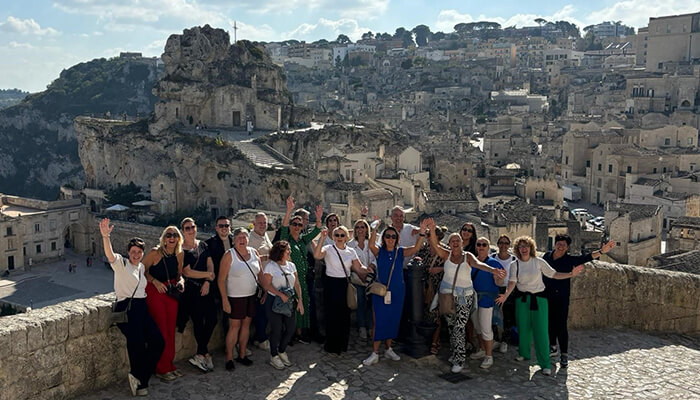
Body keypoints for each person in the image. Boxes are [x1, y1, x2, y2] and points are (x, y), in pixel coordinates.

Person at [496, 236, 585, 376]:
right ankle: (524, 353)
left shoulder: (538, 262)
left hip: (539, 300)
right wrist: (505, 296)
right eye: (521, 247)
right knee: (523, 329)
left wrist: (570, 274)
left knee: (541, 332)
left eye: (526, 246)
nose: (524, 249)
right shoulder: (515, 265)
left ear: (531, 248)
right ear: (517, 249)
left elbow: (554, 274)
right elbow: (512, 282)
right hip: (522, 300)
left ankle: (545, 363)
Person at [426, 220, 507, 373]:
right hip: (447, 296)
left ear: (462, 243)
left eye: (458, 240)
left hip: (464, 297)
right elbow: (435, 245)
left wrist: (492, 270)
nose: (455, 243)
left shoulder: (467, 256)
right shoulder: (446, 255)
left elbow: (479, 265)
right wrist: (430, 229)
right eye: (453, 240)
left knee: (459, 327)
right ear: (449, 244)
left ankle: (459, 358)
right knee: (451, 327)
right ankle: (456, 352)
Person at [100, 218, 163, 397]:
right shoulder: (122, 264)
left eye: (139, 252)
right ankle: (140, 381)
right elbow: (110, 255)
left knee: (158, 342)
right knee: (136, 346)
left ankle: (140, 376)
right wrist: (106, 237)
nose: (136, 254)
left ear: (142, 253)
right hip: (127, 309)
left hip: (142, 308)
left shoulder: (142, 268)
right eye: (133, 251)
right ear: (128, 252)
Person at [543, 234, 616, 368]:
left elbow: (586, 258)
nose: (560, 247)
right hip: (546, 295)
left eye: (563, 245)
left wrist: (601, 251)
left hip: (562, 297)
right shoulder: (546, 257)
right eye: (559, 244)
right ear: (555, 244)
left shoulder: (570, 260)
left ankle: (564, 354)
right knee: (549, 322)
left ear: (567, 247)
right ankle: (552, 347)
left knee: (561, 325)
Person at [363, 218, 428, 366]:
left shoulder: (400, 252)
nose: (390, 239)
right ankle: (374, 352)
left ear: (397, 239)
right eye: (388, 236)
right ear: (384, 238)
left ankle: (388, 348)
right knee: (379, 321)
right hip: (381, 291)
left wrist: (422, 233)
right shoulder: (380, 252)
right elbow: (371, 244)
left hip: (397, 291)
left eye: (393, 236)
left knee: (393, 320)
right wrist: (374, 228)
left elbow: (416, 248)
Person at [313, 226, 369, 354]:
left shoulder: (351, 251)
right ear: (333, 237)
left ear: (346, 237)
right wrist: (322, 238)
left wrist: (369, 269)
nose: (339, 238)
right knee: (332, 316)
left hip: (345, 284)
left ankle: (342, 344)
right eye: (336, 235)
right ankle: (332, 345)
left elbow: (358, 267)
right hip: (331, 284)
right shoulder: (328, 249)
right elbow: (317, 255)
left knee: (344, 316)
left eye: (342, 235)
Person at [142, 226, 185, 381]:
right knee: (161, 330)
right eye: (168, 235)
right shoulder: (155, 253)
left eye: (174, 235)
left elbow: (179, 274)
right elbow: (142, 270)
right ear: (164, 238)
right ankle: (161, 368)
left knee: (170, 329)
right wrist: (154, 281)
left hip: (170, 293)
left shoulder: (179, 254)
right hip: (156, 292)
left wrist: (181, 281)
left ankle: (169, 364)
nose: (171, 238)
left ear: (178, 238)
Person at [218, 228, 263, 370]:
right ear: (234, 240)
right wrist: (225, 300)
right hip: (235, 297)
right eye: (239, 238)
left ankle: (242, 354)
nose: (242, 240)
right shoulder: (229, 255)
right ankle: (230, 357)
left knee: (246, 326)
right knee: (234, 327)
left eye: (244, 237)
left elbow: (260, 274)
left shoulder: (254, 253)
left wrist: (266, 291)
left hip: (251, 295)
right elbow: (221, 280)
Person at [279, 196, 322, 341]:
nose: (297, 226)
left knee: (302, 304)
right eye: (294, 224)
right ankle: (291, 333)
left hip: (302, 278)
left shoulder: (303, 239)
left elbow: (317, 231)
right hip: (291, 279)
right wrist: (289, 211)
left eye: (299, 224)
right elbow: (284, 227)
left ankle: (299, 333)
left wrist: (318, 218)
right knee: (292, 306)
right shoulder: (287, 239)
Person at [180, 218, 217, 372]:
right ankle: (203, 353)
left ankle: (201, 353)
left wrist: (208, 281)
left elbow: (210, 263)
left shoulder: (203, 245)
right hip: (192, 291)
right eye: (187, 228)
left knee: (212, 319)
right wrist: (208, 274)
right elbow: (187, 271)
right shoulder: (181, 250)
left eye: (192, 227)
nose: (191, 230)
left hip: (206, 288)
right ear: (183, 231)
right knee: (198, 322)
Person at [260, 241, 304, 369]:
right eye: (287, 250)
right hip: (274, 302)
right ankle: (274, 356)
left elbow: (297, 284)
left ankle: (282, 350)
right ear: (280, 252)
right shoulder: (271, 266)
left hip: (289, 301)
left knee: (291, 328)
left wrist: (300, 300)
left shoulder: (291, 266)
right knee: (276, 330)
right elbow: (267, 285)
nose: (290, 252)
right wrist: (279, 294)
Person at [468, 237, 505, 369]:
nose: (481, 247)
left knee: (485, 328)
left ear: (488, 247)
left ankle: (489, 356)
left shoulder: (494, 263)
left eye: (484, 244)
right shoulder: (472, 261)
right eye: (479, 244)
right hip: (474, 298)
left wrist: (498, 278)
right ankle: (482, 349)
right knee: (477, 326)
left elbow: (500, 283)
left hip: (487, 300)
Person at [414, 225, 446, 354]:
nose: (427, 238)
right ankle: (429, 339)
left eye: (429, 235)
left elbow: (453, 265)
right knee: (426, 313)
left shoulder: (445, 251)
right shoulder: (423, 251)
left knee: (436, 314)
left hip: (439, 286)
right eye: (426, 235)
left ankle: (435, 341)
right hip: (425, 287)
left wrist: (441, 269)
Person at [347, 218, 376, 340]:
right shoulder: (350, 245)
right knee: (360, 302)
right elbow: (348, 262)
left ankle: (370, 326)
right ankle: (362, 327)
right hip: (357, 278)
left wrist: (371, 266)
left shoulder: (371, 243)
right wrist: (358, 271)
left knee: (370, 303)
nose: (360, 230)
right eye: (358, 227)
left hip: (370, 278)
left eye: (362, 227)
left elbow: (376, 258)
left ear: (366, 229)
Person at [205, 216, 235, 338]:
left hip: (235, 283)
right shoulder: (209, 244)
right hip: (219, 285)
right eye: (221, 226)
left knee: (236, 316)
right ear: (216, 228)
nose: (224, 228)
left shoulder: (235, 241)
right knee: (226, 315)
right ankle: (229, 346)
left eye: (226, 226)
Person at [249, 212, 273, 351]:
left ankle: (261, 337)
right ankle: (261, 338)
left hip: (267, 280)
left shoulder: (265, 236)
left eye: (264, 222)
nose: (263, 225)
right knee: (261, 311)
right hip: (258, 282)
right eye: (260, 223)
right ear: (254, 223)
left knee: (265, 311)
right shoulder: (250, 239)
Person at [493, 234, 516, 353]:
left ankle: (505, 341)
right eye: (501, 243)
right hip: (495, 289)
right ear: (497, 244)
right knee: (493, 315)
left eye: (506, 243)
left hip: (508, 290)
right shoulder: (492, 258)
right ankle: (496, 339)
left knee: (508, 316)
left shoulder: (513, 260)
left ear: (509, 245)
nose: (503, 245)